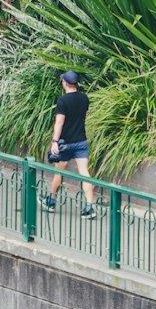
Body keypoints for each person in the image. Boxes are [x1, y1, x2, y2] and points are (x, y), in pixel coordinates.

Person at [46, 71, 95, 216]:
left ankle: (52, 201)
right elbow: (84, 115)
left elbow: (59, 122)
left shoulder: (63, 101)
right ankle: (89, 207)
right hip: (81, 141)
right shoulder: (84, 98)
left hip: (66, 143)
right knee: (85, 173)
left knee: (59, 172)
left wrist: (55, 141)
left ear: (64, 83)